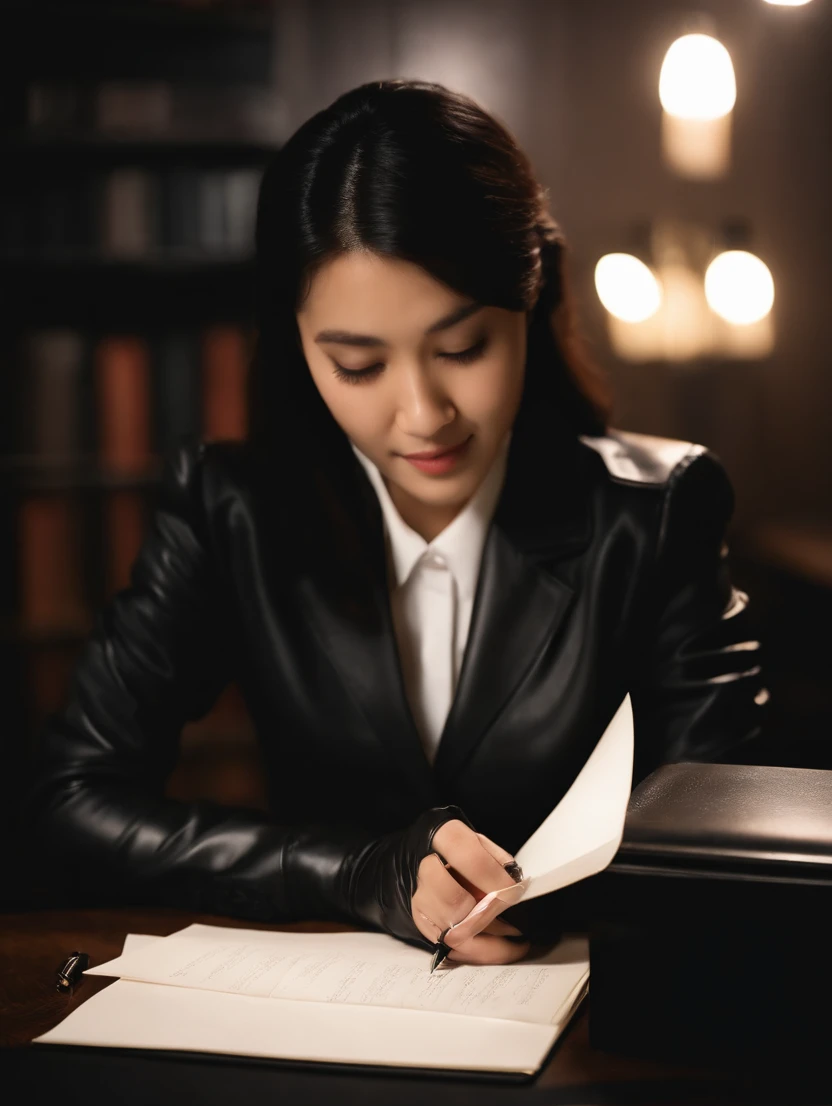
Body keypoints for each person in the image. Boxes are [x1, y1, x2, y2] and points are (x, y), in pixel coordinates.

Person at [19, 79, 766, 966]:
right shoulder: (234, 510)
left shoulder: (657, 514)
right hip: (320, 1038)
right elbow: (70, 800)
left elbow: (726, 853)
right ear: (297, 346)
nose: (422, 414)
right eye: (359, 366)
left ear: (534, 296)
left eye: (461, 350)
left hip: (583, 1029)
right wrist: (355, 871)